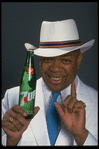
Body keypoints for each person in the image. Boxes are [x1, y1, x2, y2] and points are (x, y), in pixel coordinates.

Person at [2, 19, 98, 146]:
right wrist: (11, 141)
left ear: (78, 60)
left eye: (65, 61)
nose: (55, 68)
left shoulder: (96, 102)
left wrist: (81, 135)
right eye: (48, 59)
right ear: (40, 60)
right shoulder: (12, 96)